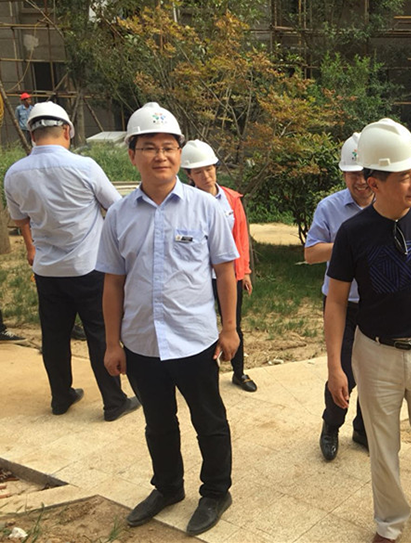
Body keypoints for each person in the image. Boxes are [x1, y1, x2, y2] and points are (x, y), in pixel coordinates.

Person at [96, 103, 239, 535]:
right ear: (132, 155)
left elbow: (226, 271)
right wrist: (112, 343)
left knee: (209, 421)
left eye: (168, 147)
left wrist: (229, 328)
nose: (160, 155)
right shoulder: (119, 214)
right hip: (142, 343)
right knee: (158, 424)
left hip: (195, 339)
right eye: (149, 147)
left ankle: (216, 491)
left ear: (179, 153)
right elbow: (113, 283)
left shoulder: (205, 207)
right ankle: (168, 487)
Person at [326, 118, 411, 543]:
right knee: (382, 446)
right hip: (376, 354)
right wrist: (335, 366)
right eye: (403, 176)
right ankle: (389, 522)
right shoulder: (353, 233)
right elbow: (336, 300)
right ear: (374, 182)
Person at [3, 101, 139, 421]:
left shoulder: (14, 173)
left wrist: (31, 247)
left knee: (54, 336)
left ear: (32, 134)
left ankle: (60, 397)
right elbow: (116, 207)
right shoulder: (84, 166)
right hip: (88, 266)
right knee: (99, 333)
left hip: (47, 270)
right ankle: (113, 401)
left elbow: (20, 219)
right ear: (67, 130)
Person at [304, 133, 371, 461]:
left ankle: (363, 428)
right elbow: (311, 253)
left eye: (365, 172)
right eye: (352, 173)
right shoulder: (329, 207)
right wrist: (347, 245)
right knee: (342, 371)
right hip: (341, 304)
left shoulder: (389, 204)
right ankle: (331, 425)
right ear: (343, 173)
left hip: (377, 305)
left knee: (373, 373)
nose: (360, 181)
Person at [180, 140, 257, 393]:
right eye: (198, 171)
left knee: (232, 323)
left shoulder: (232, 199)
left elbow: (240, 237)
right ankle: (200, 375)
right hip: (197, 276)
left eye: (209, 169)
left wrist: (244, 271)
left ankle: (239, 372)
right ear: (189, 174)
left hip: (228, 274)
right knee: (198, 325)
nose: (206, 176)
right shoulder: (183, 202)